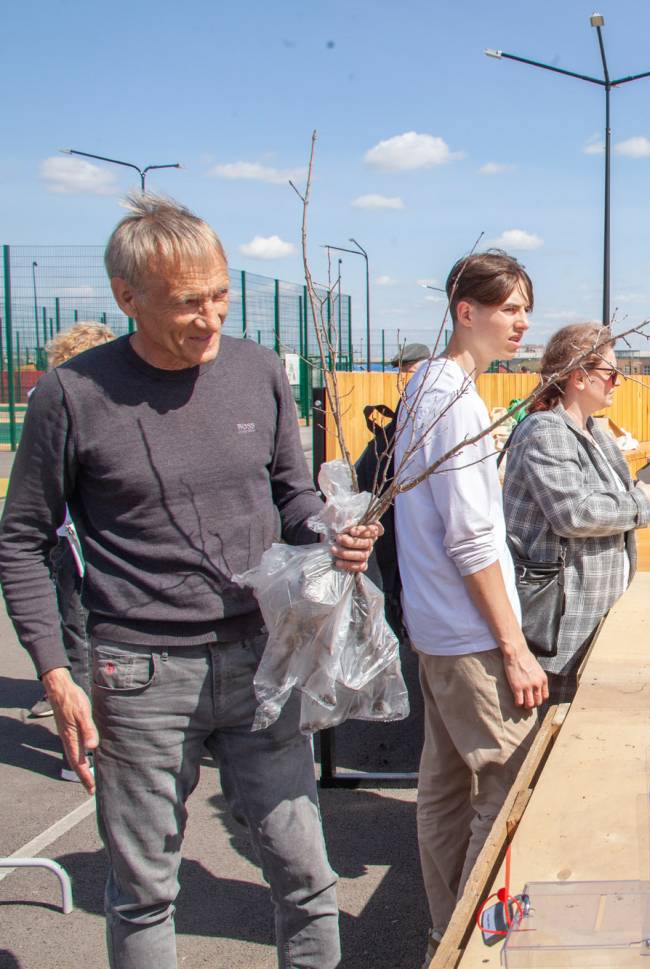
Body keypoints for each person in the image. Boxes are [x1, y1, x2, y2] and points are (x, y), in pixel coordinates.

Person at [0, 194, 379, 969]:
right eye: (186, 303)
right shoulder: (72, 397)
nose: (209, 318)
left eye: (219, 296)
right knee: (144, 889)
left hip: (261, 658)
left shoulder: (257, 369)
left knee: (306, 872)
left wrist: (330, 534)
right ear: (127, 298)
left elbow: (293, 495)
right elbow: (22, 541)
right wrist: (56, 671)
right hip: (138, 673)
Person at [391, 250, 547, 961]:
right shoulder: (451, 398)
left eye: (525, 310)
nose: (522, 323)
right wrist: (513, 646)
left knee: (447, 788)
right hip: (469, 636)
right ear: (467, 312)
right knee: (509, 788)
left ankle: (443, 932)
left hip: (440, 631)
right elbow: (471, 538)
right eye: (510, 308)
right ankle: (480, 937)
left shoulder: (429, 384)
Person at [503, 324, 650, 699]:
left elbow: (604, 497)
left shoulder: (594, 430)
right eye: (612, 373)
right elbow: (574, 513)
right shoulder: (545, 431)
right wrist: (640, 502)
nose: (618, 382)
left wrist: (640, 492)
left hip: (594, 615)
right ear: (579, 378)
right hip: (564, 627)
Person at [25, 321, 115, 738]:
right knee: (78, 629)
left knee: (87, 628)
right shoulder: (54, 399)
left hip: (93, 540)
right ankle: (84, 733)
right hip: (71, 539)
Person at [354, 341, 431, 636]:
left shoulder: (418, 406)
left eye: (408, 370)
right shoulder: (410, 413)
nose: (406, 378)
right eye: (404, 372)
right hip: (387, 521)